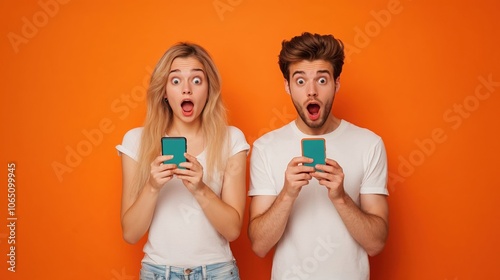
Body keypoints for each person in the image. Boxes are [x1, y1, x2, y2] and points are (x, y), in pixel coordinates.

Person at [248, 32, 389, 279]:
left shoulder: (369, 144)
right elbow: (259, 246)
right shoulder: (265, 147)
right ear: (288, 86)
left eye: (322, 81)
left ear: (336, 84)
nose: (311, 92)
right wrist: (288, 193)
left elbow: (376, 244)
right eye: (300, 81)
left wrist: (341, 197)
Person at [116, 42, 249, 280]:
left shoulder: (231, 139)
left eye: (197, 80)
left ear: (209, 89)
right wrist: (152, 186)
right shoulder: (136, 141)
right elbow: (131, 234)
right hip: (158, 273)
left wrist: (200, 188)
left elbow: (232, 230)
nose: (186, 89)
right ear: (164, 91)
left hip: (218, 272)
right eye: (175, 81)